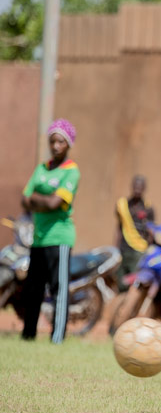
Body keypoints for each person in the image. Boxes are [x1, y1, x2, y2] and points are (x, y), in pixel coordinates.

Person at [19, 119, 80, 344]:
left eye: (60, 142)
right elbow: (24, 199)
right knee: (33, 289)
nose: (55, 146)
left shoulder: (71, 171)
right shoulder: (42, 168)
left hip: (60, 238)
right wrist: (41, 200)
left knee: (59, 289)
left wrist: (36, 199)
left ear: (68, 144)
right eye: (52, 141)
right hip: (39, 238)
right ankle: (28, 335)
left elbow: (56, 203)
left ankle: (57, 338)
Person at [115, 175, 154, 289]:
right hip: (123, 249)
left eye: (140, 186)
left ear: (144, 188)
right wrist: (116, 248)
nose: (137, 189)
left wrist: (148, 251)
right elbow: (118, 228)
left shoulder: (148, 208)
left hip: (139, 251)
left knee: (135, 285)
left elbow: (151, 232)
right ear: (131, 186)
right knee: (121, 284)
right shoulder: (122, 205)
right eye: (135, 186)